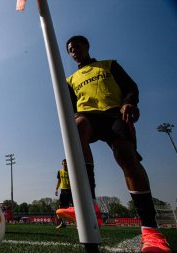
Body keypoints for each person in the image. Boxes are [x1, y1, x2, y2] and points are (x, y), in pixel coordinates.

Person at [56, 35, 171, 253]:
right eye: (70, 49)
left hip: (113, 114)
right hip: (87, 116)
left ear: (86, 47)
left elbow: (130, 86)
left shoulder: (108, 65)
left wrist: (128, 103)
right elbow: (71, 108)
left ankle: (151, 232)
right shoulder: (70, 80)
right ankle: (89, 205)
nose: (74, 50)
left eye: (77, 46)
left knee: (125, 155)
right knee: (77, 128)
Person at [54, 159, 73, 228]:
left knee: (75, 206)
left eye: (66, 163)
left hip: (72, 191)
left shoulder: (71, 171)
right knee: (61, 207)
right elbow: (59, 181)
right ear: (62, 164)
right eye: (64, 163)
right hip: (63, 191)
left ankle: (79, 223)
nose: (65, 164)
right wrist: (56, 189)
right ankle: (62, 223)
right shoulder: (60, 171)